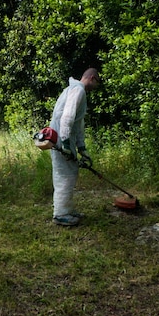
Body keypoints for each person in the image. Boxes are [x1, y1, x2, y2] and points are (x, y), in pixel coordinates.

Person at [49, 68, 100, 226]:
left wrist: (81, 148)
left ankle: (68, 209)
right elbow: (67, 117)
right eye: (97, 83)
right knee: (64, 176)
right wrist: (64, 143)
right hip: (60, 139)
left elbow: (78, 125)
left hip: (64, 138)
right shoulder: (78, 90)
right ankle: (61, 214)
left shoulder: (74, 90)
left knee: (70, 173)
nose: (96, 87)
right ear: (92, 78)